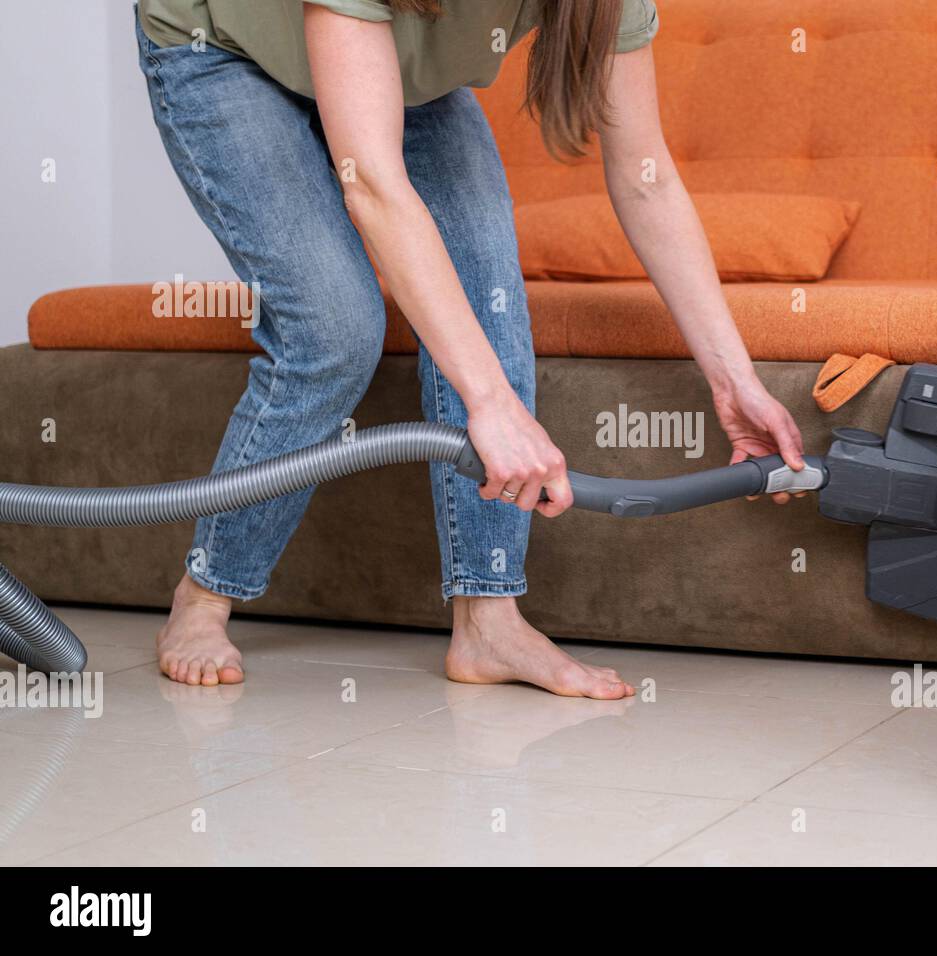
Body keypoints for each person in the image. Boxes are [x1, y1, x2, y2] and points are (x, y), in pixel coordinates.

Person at [136, 0, 806, 697]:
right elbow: (371, 182)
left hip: (398, 65)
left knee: (483, 306)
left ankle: (489, 620)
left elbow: (647, 176)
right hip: (225, 50)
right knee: (335, 331)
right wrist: (490, 403)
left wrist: (734, 381)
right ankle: (205, 594)